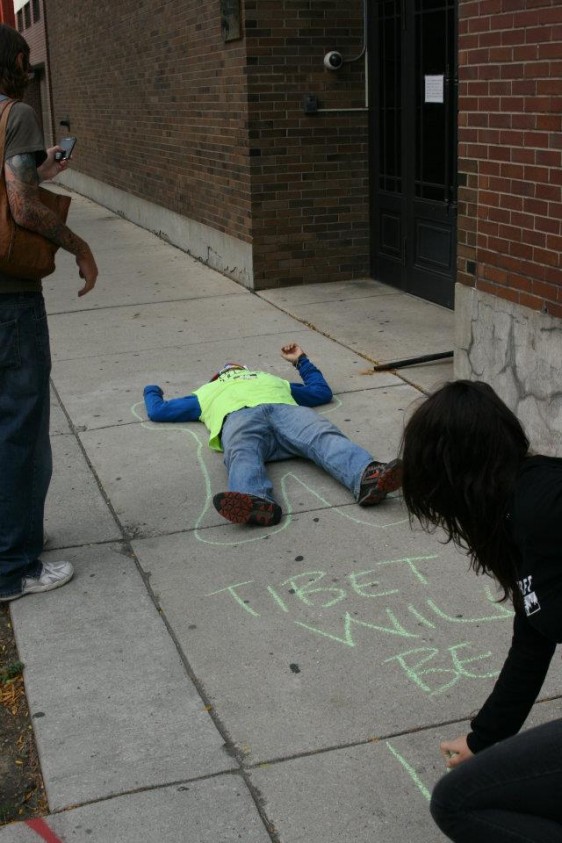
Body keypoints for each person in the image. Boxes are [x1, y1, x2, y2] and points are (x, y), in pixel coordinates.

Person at [401, 379, 562, 843]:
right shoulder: (515, 521)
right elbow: (531, 642)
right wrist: (484, 738)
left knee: (458, 802)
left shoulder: (544, 502)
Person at [0, 25, 98, 602]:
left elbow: (18, 183)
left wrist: (43, 170)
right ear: (12, 60)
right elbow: (20, 206)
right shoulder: (17, 113)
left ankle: (14, 538)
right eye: (24, 60)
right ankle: (14, 567)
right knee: (21, 430)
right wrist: (79, 246)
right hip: (9, 299)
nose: (27, 67)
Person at [144, 342, 403, 526]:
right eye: (228, 370)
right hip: (247, 416)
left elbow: (320, 392)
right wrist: (151, 390)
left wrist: (301, 361)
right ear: (218, 377)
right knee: (247, 452)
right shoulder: (207, 392)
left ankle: (367, 477)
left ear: (247, 370)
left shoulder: (266, 380)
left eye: (236, 368)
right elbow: (159, 411)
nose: (232, 370)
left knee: (321, 437)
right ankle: (254, 501)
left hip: (273, 411)